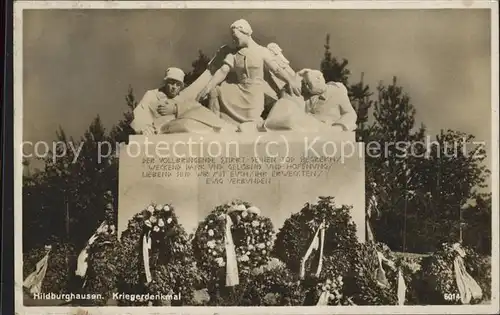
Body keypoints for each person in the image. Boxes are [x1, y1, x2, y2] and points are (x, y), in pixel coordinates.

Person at [196, 19, 301, 130]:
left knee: (252, 121)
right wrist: (207, 88)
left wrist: (289, 80)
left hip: (254, 92)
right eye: (233, 38)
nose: (234, 40)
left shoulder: (262, 51)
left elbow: (276, 69)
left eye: (236, 37)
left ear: (245, 33)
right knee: (215, 90)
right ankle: (216, 125)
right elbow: (223, 71)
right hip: (238, 89)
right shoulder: (234, 55)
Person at [131, 67, 238, 134]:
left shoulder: (181, 99)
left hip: (177, 125)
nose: (174, 87)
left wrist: (176, 109)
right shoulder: (152, 94)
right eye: (171, 83)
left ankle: (224, 127)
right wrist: (144, 128)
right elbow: (139, 114)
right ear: (165, 82)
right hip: (161, 128)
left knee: (192, 123)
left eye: (178, 85)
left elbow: (197, 108)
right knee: (186, 126)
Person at [264, 69, 358, 132]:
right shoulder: (307, 96)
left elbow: (350, 114)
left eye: (309, 84)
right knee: (284, 103)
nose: (307, 88)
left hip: (323, 128)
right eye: (306, 85)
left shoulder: (336, 92)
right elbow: (287, 99)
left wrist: (338, 128)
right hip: (307, 126)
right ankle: (270, 124)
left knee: (290, 121)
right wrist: (296, 77)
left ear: (320, 78)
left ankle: (272, 124)